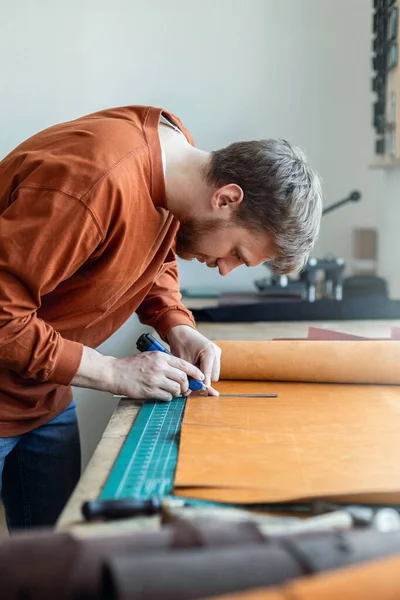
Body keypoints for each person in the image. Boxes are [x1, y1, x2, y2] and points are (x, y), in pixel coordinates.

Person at [0, 105, 322, 530]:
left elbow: (152, 251)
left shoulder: (180, 169)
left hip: (42, 390)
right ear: (226, 198)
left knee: (53, 566)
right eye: (237, 254)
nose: (225, 268)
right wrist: (113, 373)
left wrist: (178, 325)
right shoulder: (95, 182)